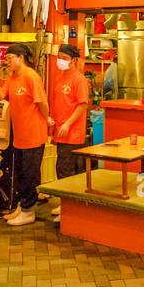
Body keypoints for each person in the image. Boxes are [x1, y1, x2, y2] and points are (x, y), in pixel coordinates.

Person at [0, 43, 48, 227]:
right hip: (19, 137)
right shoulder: (13, 77)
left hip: (34, 135)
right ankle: (21, 207)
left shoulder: (32, 77)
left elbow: (42, 103)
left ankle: (28, 211)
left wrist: (47, 120)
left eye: (9, 58)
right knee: (20, 174)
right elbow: (1, 96)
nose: (7, 62)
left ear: (20, 58)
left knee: (31, 175)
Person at [48, 43, 90, 219]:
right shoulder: (58, 78)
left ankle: (69, 210)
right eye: (59, 57)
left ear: (73, 61)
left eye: (64, 58)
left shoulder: (79, 79)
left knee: (67, 171)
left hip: (72, 134)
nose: (60, 61)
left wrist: (67, 124)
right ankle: (65, 205)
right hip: (59, 133)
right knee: (61, 170)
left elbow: (82, 105)